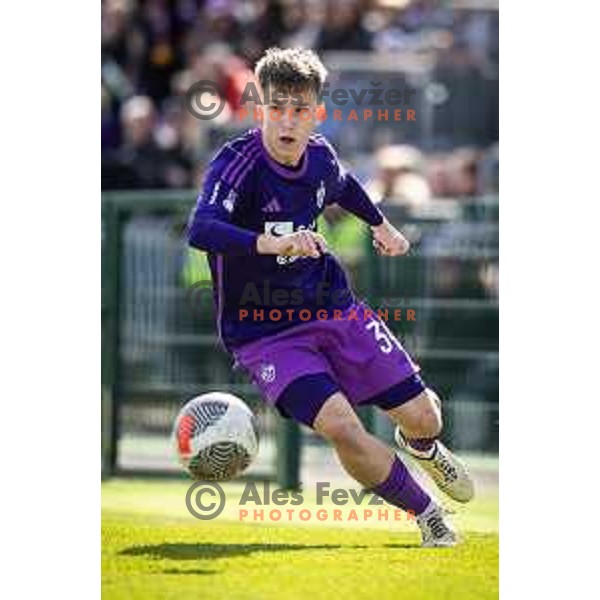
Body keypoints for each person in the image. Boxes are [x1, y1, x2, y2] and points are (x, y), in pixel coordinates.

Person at [186, 47, 474, 547]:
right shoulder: (236, 163)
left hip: (334, 308)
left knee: (426, 417)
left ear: (317, 113)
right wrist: (269, 242)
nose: (287, 121)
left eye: (299, 110)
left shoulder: (320, 155)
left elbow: (342, 186)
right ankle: (429, 514)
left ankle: (419, 444)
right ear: (261, 111)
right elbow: (201, 228)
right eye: (277, 108)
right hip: (264, 332)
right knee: (341, 424)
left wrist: (380, 225)